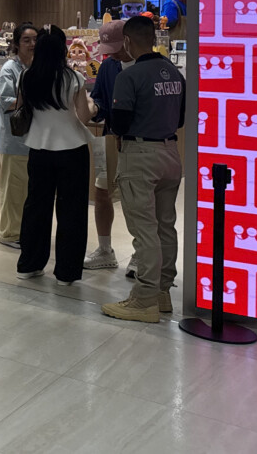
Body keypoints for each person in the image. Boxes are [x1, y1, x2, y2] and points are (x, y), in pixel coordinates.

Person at [102, 16, 185, 323]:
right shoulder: (174, 72)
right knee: (165, 226)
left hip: (140, 156)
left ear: (127, 41)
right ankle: (162, 292)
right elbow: (180, 119)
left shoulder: (130, 76)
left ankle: (144, 299)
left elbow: (121, 122)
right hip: (170, 153)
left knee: (145, 230)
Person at [15, 27, 93, 286]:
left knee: (36, 206)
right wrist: (93, 106)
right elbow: (83, 116)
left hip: (38, 148)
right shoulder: (74, 78)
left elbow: (20, 108)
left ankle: (29, 264)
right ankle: (66, 272)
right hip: (72, 149)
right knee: (72, 210)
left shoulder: (26, 76)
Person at [84, 19, 133, 272]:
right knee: (102, 193)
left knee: (137, 199)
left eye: (116, 48)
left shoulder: (147, 66)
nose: (113, 54)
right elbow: (100, 100)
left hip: (139, 143)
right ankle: (105, 250)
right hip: (110, 138)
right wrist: (93, 108)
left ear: (129, 40)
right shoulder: (107, 67)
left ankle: (141, 253)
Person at [0, 23, 37, 249]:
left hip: (35, 141)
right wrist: (32, 96)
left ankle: (25, 231)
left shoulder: (36, 67)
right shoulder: (10, 69)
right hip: (14, 140)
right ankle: (10, 234)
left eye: (35, 40)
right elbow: (5, 101)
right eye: (26, 40)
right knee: (13, 191)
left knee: (28, 191)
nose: (32, 44)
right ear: (16, 44)